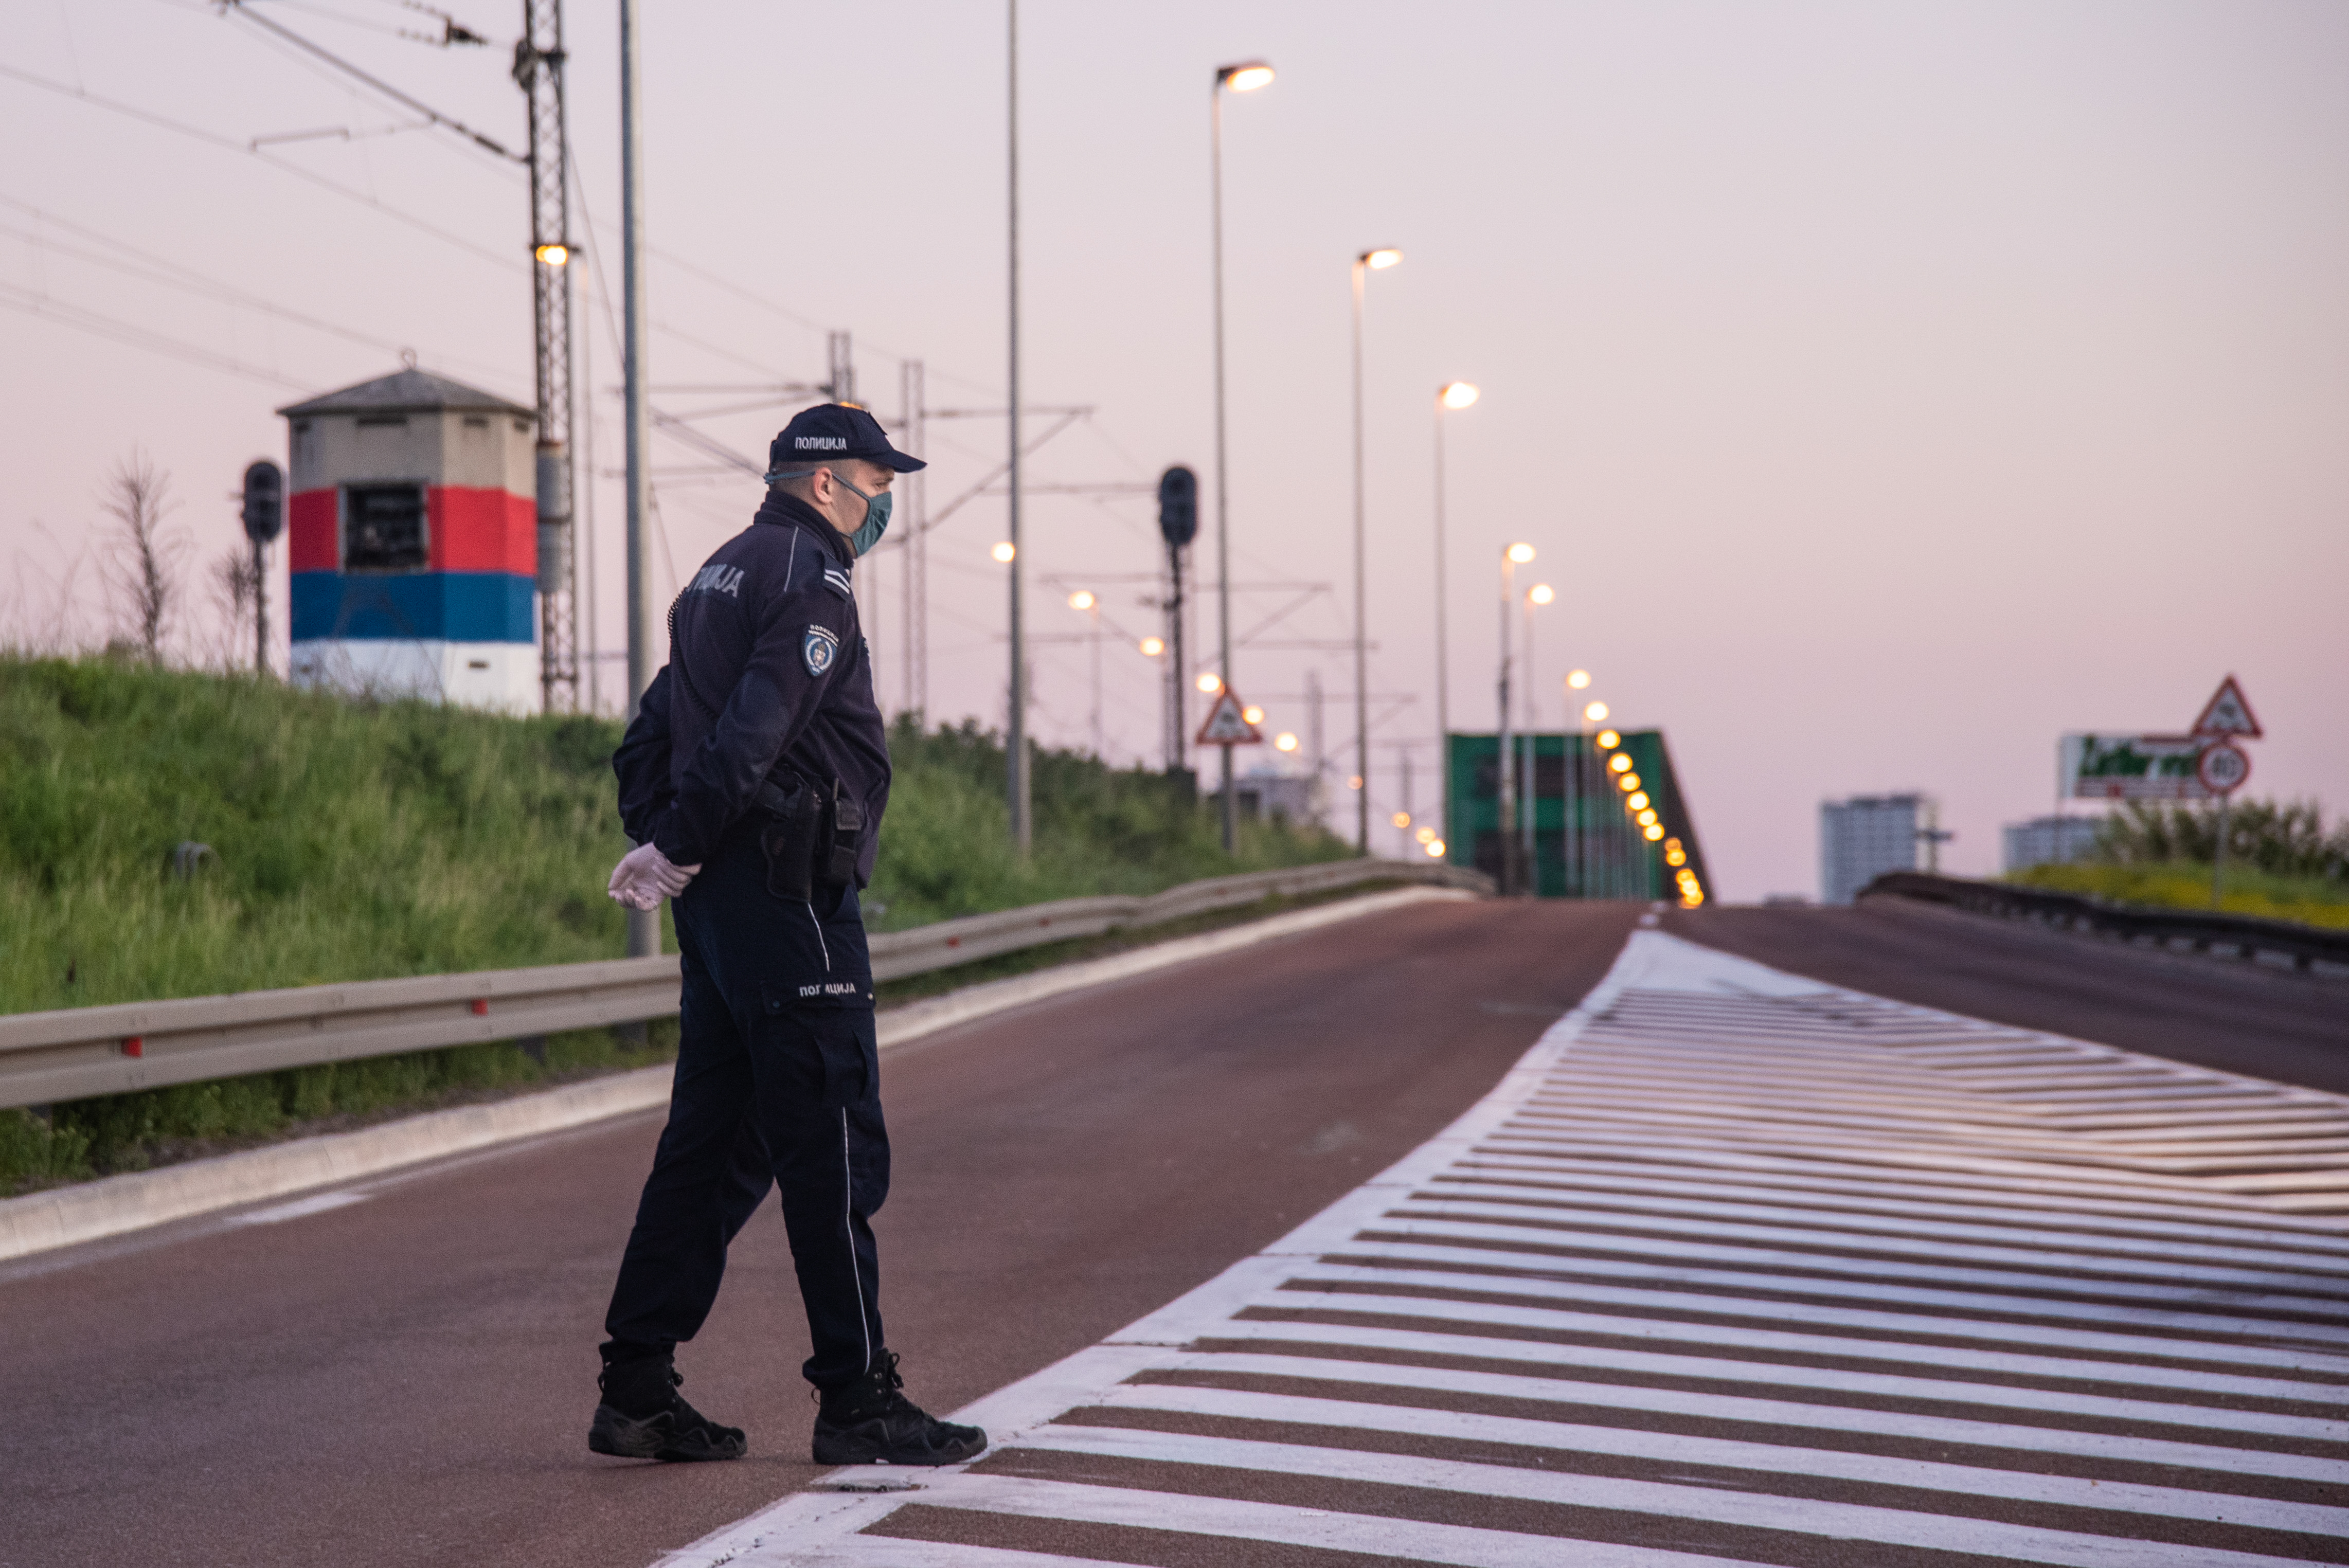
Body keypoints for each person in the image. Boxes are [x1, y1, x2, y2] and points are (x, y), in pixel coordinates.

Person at [587, 403, 985, 1468]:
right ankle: (856, 1397)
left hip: (724, 903)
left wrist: (669, 845)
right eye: (874, 480)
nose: (884, 500)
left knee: (716, 1140)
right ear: (824, 485)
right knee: (834, 1139)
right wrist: (677, 840)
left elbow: (653, 732)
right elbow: (757, 729)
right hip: (790, 897)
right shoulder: (814, 580)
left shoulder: (718, 572)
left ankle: (634, 1385)